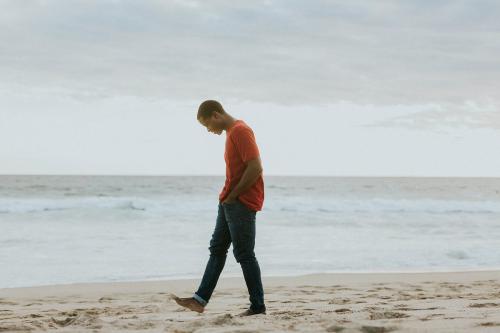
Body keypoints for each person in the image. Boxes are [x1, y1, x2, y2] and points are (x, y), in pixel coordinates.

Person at [172, 100, 266, 316]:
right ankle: (199, 300)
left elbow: (256, 167)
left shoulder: (240, 131)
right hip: (229, 202)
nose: (208, 130)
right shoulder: (232, 132)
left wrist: (233, 195)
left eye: (207, 125)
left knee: (244, 254)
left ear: (216, 115)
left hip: (240, 202)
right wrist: (227, 197)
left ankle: (258, 306)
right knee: (217, 249)